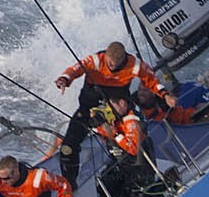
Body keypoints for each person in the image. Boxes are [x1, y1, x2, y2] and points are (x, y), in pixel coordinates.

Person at [52, 41, 166, 186]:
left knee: (130, 145)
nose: (111, 67)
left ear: (123, 59)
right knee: (67, 148)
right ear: (105, 56)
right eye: (109, 63)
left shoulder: (134, 64)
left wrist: (165, 94)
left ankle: (141, 179)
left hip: (118, 114)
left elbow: (151, 79)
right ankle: (70, 184)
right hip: (90, 111)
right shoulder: (96, 60)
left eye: (115, 64)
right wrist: (64, 79)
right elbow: (76, 68)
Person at [91, 94, 169, 197]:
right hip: (123, 165)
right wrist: (98, 125)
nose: (110, 111)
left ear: (122, 103)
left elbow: (133, 149)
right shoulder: (117, 118)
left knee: (123, 186)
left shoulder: (132, 120)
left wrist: (115, 134)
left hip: (140, 166)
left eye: (111, 107)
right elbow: (106, 135)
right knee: (105, 183)